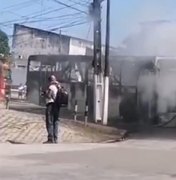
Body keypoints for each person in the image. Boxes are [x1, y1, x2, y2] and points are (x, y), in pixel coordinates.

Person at [44, 75, 61, 144]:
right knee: (56, 121)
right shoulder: (58, 86)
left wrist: (45, 93)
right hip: (57, 105)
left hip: (51, 105)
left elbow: (49, 95)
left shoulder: (51, 87)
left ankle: (50, 138)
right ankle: (56, 138)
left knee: (50, 121)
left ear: (50, 80)